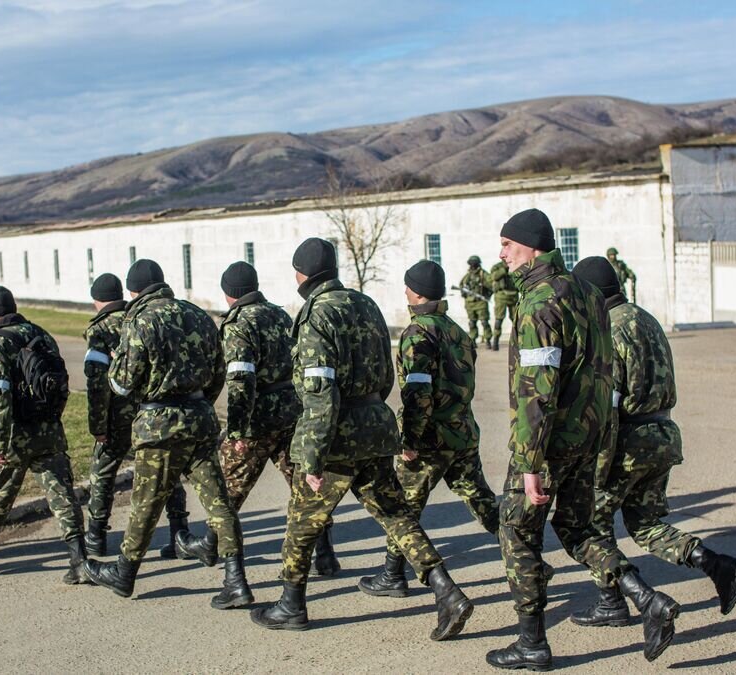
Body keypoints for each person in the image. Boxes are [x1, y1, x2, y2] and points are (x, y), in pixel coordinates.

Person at [251, 238, 473, 640]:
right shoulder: (366, 304)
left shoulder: (316, 313)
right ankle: (446, 590)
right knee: (396, 514)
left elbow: (319, 389)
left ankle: (291, 604)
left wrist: (313, 456)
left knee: (302, 522)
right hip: (374, 424)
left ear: (302, 274)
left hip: (337, 431)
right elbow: (387, 374)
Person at [487, 210, 680, 671]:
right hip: (588, 437)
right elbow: (602, 371)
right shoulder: (590, 293)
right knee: (577, 528)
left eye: (508, 246)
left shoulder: (538, 301)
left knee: (516, 531)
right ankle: (645, 598)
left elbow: (538, 386)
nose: (502, 254)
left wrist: (530, 460)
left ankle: (531, 642)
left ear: (531, 247)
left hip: (548, 443)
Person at [570, 256, 736, 628]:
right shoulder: (644, 318)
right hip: (662, 436)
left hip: (627, 442)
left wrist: (595, 470)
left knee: (587, 524)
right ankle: (715, 563)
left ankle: (616, 601)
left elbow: (608, 408)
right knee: (645, 523)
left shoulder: (607, 332)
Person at [84, 260, 252, 610]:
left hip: (158, 423)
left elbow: (121, 383)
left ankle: (124, 573)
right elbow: (219, 373)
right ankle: (236, 579)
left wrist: (118, 366)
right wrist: (199, 404)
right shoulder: (198, 315)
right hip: (200, 420)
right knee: (218, 501)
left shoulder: (139, 320)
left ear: (133, 291)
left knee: (145, 503)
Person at [175, 262, 341, 575]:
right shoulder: (278, 314)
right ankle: (326, 553)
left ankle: (212, 543)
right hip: (291, 411)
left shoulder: (238, 323)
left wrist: (236, 431)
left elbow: (240, 380)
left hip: (258, 418)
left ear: (229, 294)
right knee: (303, 486)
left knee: (227, 487)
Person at [357, 259, 498, 598]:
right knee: (482, 501)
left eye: (407, 286)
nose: (405, 290)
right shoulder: (457, 331)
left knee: (402, 507)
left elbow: (418, 393)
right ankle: (526, 555)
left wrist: (410, 439)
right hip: (462, 432)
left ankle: (393, 575)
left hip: (430, 439)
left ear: (417, 293)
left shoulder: (417, 333)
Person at [0, 286, 88, 584]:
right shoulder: (41, 334)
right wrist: (52, 419)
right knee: (62, 493)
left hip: (15, 434)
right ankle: (79, 558)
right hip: (49, 429)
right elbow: (60, 383)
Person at [81, 273, 188, 558]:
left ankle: (96, 537)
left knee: (103, 473)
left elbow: (96, 383)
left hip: (116, 417)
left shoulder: (100, 330)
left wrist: (97, 425)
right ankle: (179, 530)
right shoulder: (142, 318)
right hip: (150, 414)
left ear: (96, 300)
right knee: (167, 472)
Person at [459, 255, 492, 348]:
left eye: (474, 264)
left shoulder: (483, 274)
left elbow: (492, 285)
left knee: (484, 322)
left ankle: (488, 340)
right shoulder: (468, 275)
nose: (472, 266)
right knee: (472, 322)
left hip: (480, 302)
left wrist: (487, 295)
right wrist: (464, 293)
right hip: (470, 303)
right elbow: (461, 285)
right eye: (471, 264)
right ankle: (473, 339)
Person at [489, 259, 518, 351]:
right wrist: (504, 269)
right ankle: (496, 341)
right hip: (501, 295)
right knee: (499, 319)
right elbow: (494, 277)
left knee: (516, 319)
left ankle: (518, 340)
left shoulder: (515, 264)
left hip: (513, 295)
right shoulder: (497, 267)